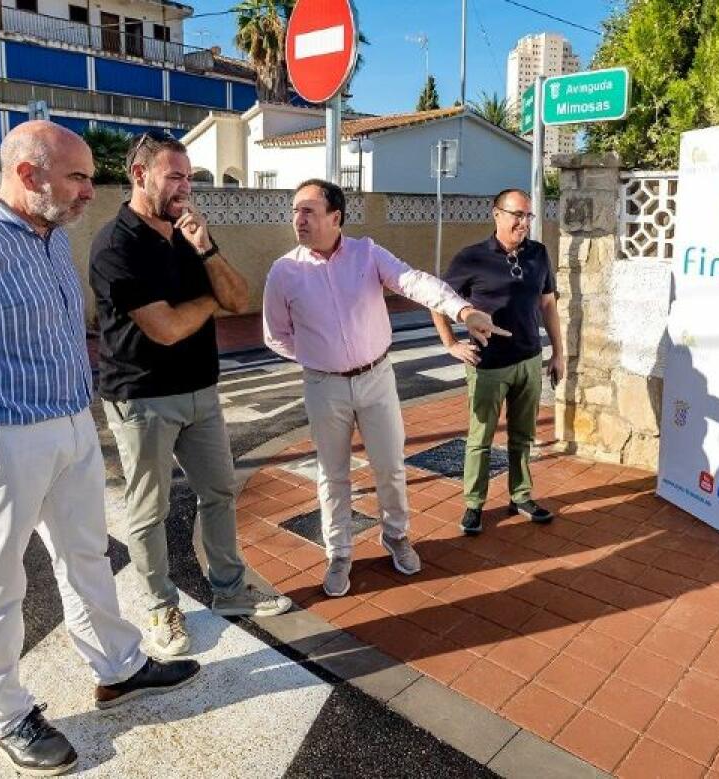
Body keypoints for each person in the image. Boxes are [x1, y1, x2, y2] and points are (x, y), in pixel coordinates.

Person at [0, 121, 199, 776]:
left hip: (70, 428)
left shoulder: (52, 240)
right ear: (27, 174)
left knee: (86, 554)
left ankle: (118, 667)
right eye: (77, 177)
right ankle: (3, 713)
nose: (90, 191)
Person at [90, 132, 291, 657]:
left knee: (219, 492)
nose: (186, 187)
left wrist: (206, 247)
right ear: (140, 176)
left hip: (202, 390)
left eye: (189, 177)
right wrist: (211, 302)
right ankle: (161, 608)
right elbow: (168, 328)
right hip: (142, 398)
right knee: (149, 509)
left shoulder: (188, 234)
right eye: (175, 176)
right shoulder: (116, 245)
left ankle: (229, 591)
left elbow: (239, 296)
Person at [263, 179, 508, 597]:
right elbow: (276, 335)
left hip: (377, 378)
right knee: (332, 474)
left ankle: (395, 535)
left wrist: (463, 309)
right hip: (324, 386)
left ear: (335, 217)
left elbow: (413, 281)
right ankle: (339, 553)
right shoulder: (285, 271)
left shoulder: (366, 253)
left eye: (308, 210)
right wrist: (318, 360)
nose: (297, 219)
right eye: (294, 211)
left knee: (391, 466)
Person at [431, 189, 564, 535]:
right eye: (517, 214)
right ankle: (473, 504)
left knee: (523, 436)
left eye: (529, 216)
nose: (524, 222)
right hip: (487, 365)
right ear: (497, 214)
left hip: (529, 360)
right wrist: (451, 344)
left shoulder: (538, 254)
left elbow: (548, 305)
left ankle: (521, 495)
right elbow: (437, 300)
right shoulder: (471, 258)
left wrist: (558, 353)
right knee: (481, 439)